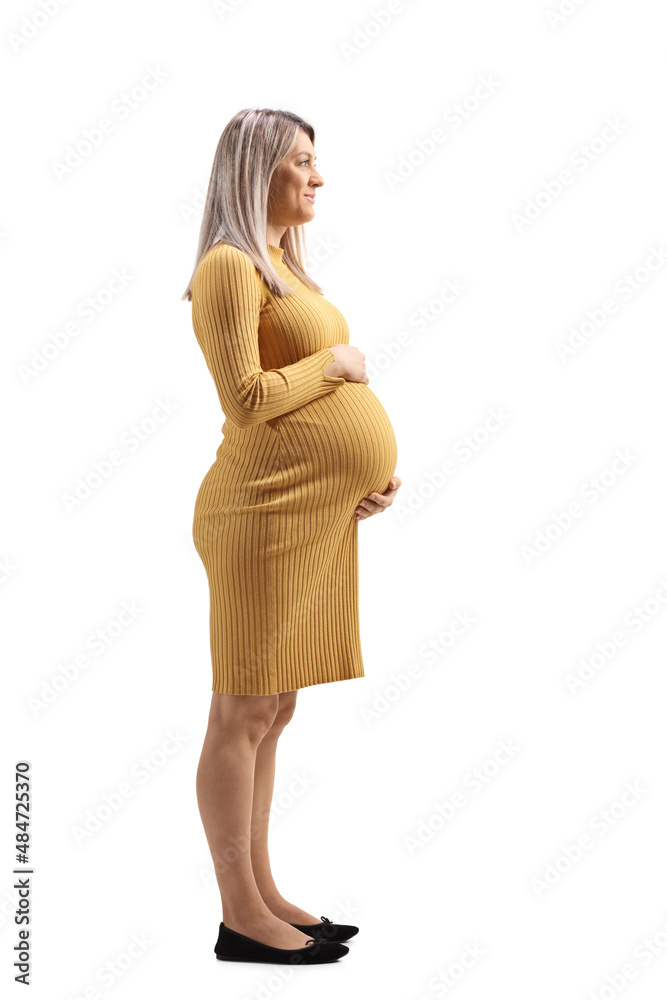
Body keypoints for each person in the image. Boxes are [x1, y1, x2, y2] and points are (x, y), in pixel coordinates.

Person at [182, 107, 401, 965]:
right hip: (255, 517)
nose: (317, 177)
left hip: (301, 512)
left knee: (274, 707)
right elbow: (247, 399)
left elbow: (310, 419)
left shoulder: (281, 268)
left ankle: (264, 889)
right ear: (254, 169)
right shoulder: (228, 268)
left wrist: (357, 483)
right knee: (240, 711)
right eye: (300, 161)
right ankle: (240, 915)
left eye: (316, 161)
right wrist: (335, 366)